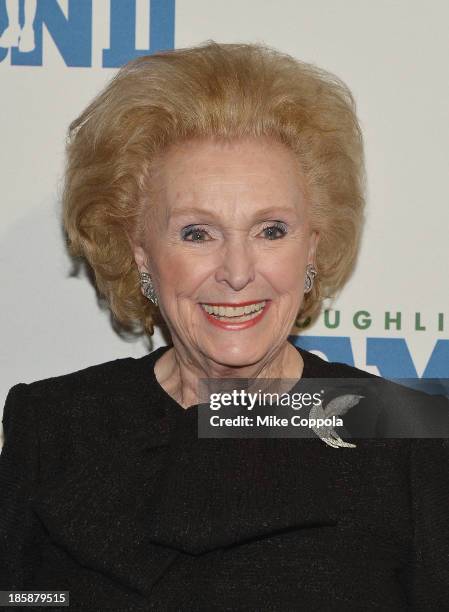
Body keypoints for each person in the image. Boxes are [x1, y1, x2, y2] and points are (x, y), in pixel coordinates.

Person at [1, 40, 448, 610]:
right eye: (197, 233)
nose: (237, 273)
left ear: (312, 245)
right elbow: (23, 599)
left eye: (271, 231)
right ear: (140, 251)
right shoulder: (56, 424)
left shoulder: (406, 434)